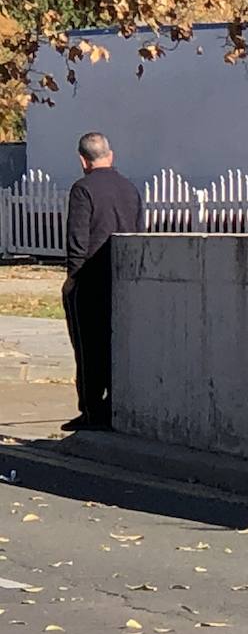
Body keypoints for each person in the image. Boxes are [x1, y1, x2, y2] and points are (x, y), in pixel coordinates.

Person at [62, 132, 142, 431]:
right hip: (123, 278)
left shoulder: (83, 190)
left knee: (88, 347)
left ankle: (93, 410)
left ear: (83, 160)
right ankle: (115, 403)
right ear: (111, 155)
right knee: (116, 344)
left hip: (91, 280)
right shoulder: (130, 189)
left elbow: (77, 238)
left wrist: (72, 278)